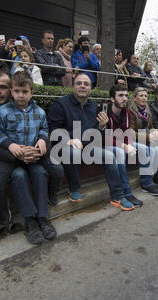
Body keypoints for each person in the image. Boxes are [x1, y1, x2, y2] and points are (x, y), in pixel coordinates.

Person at [0, 70, 64, 235]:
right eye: (16, 91)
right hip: (13, 155)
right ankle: (22, 219)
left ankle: (43, 216)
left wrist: (43, 141)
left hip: (34, 155)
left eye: (24, 92)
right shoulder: (1, 112)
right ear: (12, 91)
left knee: (53, 169)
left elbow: (44, 129)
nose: (20, 95)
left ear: (32, 93)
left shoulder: (39, 112)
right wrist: (10, 145)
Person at [47, 73, 135, 211]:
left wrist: (101, 127)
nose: (83, 86)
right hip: (65, 147)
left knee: (110, 156)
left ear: (91, 89)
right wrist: (68, 140)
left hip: (88, 148)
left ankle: (118, 196)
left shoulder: (94, 107)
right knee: (72, 152)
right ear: (73, 86)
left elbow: (95, 133)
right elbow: (52, 129)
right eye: (79, 83)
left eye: (86, 84)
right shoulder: (61, 104)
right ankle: (74, 188)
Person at [104, 84, 150, 206]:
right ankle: (127, 192)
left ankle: (147, 183)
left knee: (144, 148)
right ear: (112, 99)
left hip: (121, 142)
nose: (124, 98)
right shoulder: (104, 110)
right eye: (120, 95)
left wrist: (129, 144)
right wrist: (124, 146)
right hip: (106, 143)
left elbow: (128, 132)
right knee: (119, 152)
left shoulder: (126, 112)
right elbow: (105, 137)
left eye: (125, 95)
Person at [126, 87, 158, 192]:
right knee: (146, 149)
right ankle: (146, 183)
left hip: (143, 138)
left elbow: (150, 126)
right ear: (134, 98)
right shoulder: (130, 111)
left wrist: (154, 131)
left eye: (145, 96)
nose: (144, 98)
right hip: (132, 139)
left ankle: (156, 176)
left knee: (157, 150)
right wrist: (147, 136)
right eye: (141, 96)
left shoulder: (146, 111)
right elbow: (130, 132)